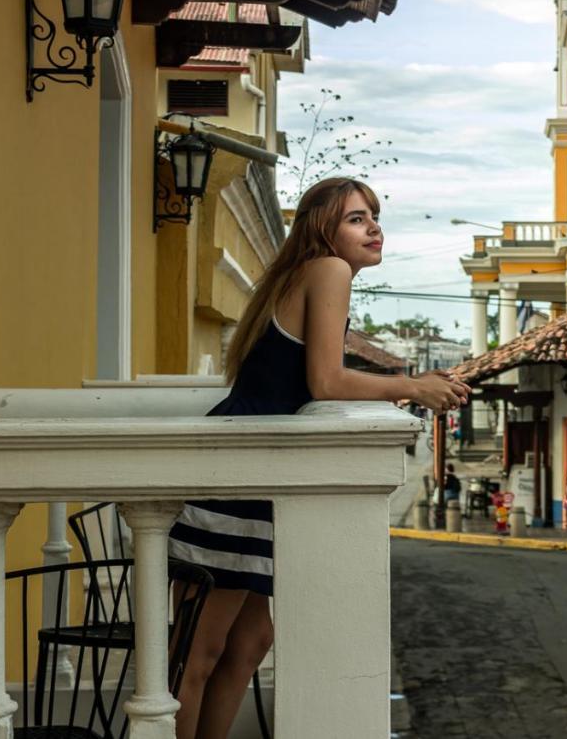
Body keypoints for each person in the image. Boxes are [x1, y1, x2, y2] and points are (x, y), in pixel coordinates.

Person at [167, 177, 470, 739]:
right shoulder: (327, 270)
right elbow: (326, 381)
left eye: (374, 215)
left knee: (251, 640)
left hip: (253, 474)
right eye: (356, 218)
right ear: (321, 230)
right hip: (234, 477)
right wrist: (410, 386)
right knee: (197, 653)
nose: (374, 226)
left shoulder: (306, 275)